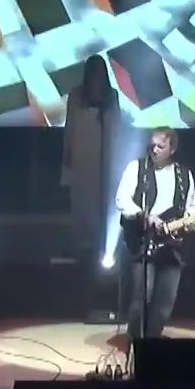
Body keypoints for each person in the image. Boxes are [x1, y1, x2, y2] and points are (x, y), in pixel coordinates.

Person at [114, 127, 195, 340]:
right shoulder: (137, 168)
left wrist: (191, 222)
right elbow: (122, 199)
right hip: (143, 241)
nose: (154, 150)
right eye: (152, 145)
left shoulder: (184, 175)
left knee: (165, 301)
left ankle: (152, 341)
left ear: (172, 148)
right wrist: (145, 216)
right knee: (141, 297)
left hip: (171, 245)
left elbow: (191, 209)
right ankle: (136, 342)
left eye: (160, 146)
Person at [62, 56, 124, 260]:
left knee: (100, 203)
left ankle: (98, 244)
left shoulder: (111, 96)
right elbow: (70, 127)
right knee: (81, 201)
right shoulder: (76, 96)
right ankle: (81, 243)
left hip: (103, 158)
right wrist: (68, 155)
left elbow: (116, 128)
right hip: (81, 156)